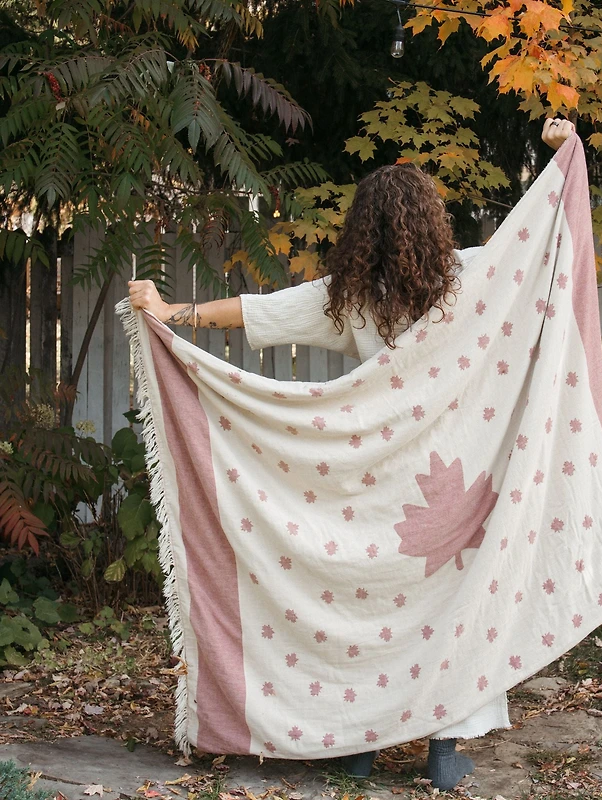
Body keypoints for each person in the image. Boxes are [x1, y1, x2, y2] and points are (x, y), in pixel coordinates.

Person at [128, 117, 575, 790]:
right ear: (432, 223)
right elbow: (549, 240)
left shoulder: (349, 299)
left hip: (381, 484)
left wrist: (171, 310)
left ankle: (362, 744)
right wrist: (565, 152)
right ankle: (444, 748)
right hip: (464, 481)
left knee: (380, 606)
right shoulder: (475, 278)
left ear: (363, 230)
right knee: (457, 596)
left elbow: (256, 313)